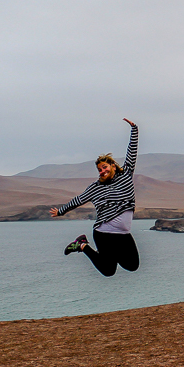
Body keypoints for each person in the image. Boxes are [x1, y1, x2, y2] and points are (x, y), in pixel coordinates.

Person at [51, 118, 140, 276]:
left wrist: (134, 130)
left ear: (113, 166)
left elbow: (132, 153)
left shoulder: (126, 174)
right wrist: (61, 211)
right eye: (99, 169)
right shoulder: (95, 188)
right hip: (104, 233)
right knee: (108, 270)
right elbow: (79, 200)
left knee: (133, 265)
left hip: (123, 235)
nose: (102, 171)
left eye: (104, 167)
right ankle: (82, 245)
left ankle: (108, 255)